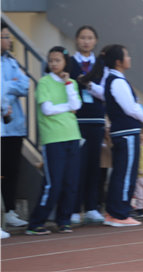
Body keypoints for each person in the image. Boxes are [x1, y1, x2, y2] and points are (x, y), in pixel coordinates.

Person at [91, 45, 143, 227]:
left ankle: (113, 212)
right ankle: (120, 213)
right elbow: (130, 107)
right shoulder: (117, 81)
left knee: (120, 172)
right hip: (127, 133)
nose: (129, 58)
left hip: (122, 133)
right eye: (126, 55)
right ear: (118, 62)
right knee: (126, 174)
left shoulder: (112, 80)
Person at [26, 47, 82, 235]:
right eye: (51, 60)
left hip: (73, 136)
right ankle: (36, 223)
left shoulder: (71, 83)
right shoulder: (44, 82)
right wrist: (67, 107)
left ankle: (64, 220)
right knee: (53, 183)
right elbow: (47, 110)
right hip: (53, 139)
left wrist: (67, 84)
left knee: (71, 183)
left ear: (65, 62)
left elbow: (76, 105)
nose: (53, 64)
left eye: (57, 60)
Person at [69, 26, 106, 225]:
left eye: (90, 38)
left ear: (95, 41)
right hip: (76, 120)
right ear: (76, 40)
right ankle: (74, 208)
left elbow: (105, 92)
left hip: (96, 118)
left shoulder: (101, 64)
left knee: (94, 165)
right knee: (77, 165)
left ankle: (92, 207)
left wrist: (88, 84)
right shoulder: (69, 62)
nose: (86, 41)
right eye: (82, 37)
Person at [1, 22, 30, 228]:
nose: (9, 40)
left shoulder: (11, 62)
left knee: (12, 170)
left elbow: (25, 85)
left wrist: (6, 86)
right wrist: (10, 86)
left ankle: (10, 211)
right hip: (2, 126)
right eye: (5, 36)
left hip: (14, 126)